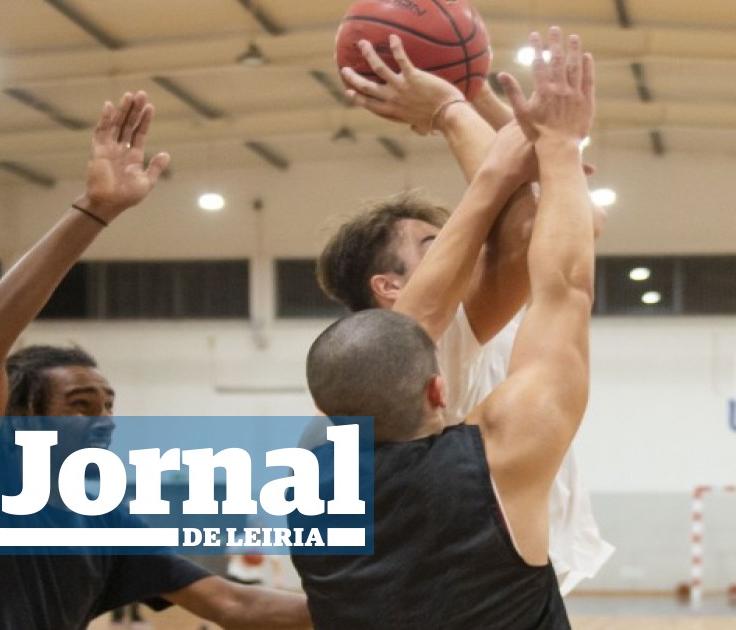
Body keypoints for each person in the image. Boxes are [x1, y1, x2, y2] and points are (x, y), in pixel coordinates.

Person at [0, 91, 311, 630]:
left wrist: (385, 606)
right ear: (22, 417)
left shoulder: (106, 519)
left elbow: (237, 605)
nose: (105, 419)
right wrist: (95, 210)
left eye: (108, 404)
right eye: (80, 405)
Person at [292, 27, 596, 628]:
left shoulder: (314, 470)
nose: (470, 244)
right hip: (506, 544)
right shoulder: (492, 448)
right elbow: (552, 259)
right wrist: (457, 112)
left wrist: (482, 106)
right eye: (439, 243)